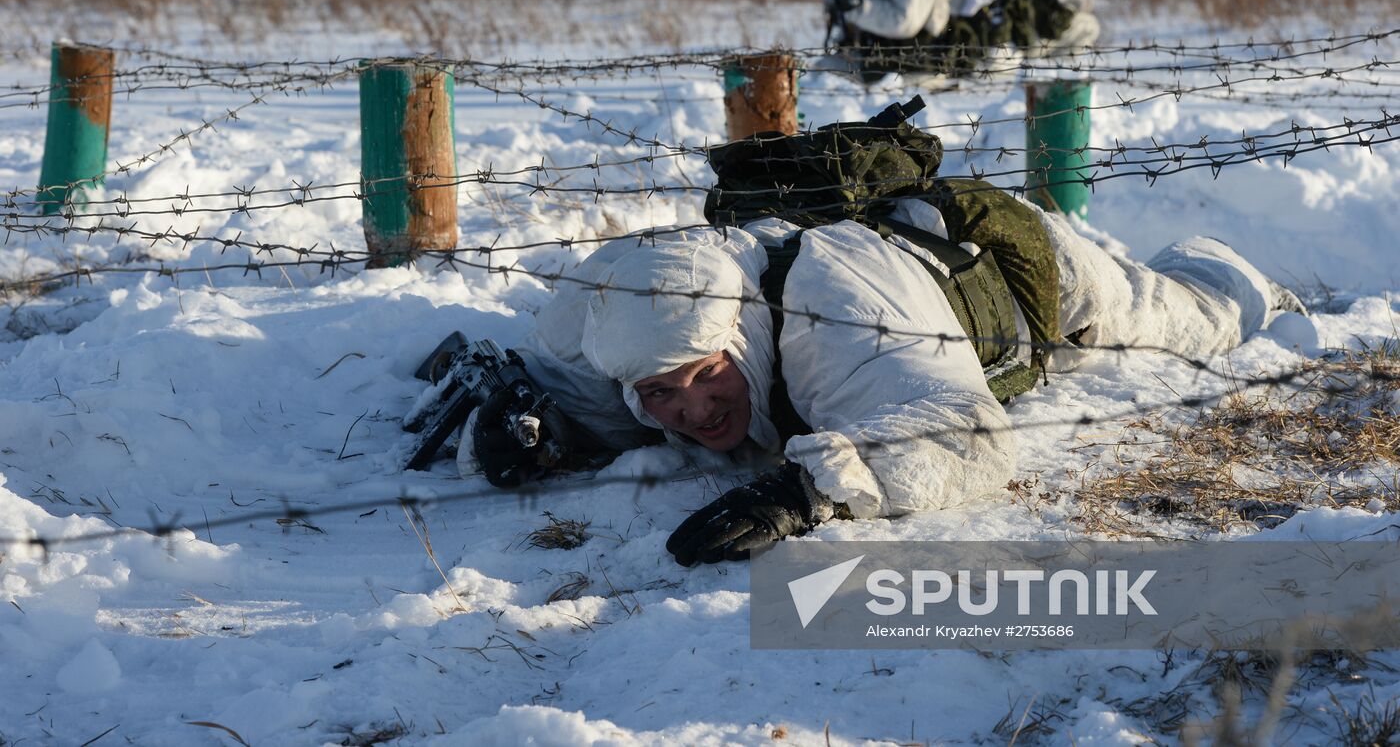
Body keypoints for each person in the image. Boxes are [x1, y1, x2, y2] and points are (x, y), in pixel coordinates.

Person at [464, 190, 1302, 567]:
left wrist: (811, 491)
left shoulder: (834, 326)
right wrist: (528, 428)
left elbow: (971, 435)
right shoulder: (624, 320)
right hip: (881, 253)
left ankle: (1254, 275)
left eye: (704, 376)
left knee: (1189, 312)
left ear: (735, 337)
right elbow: (561, 388)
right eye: (658, 395)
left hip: (1020, 275)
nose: (691, 411)